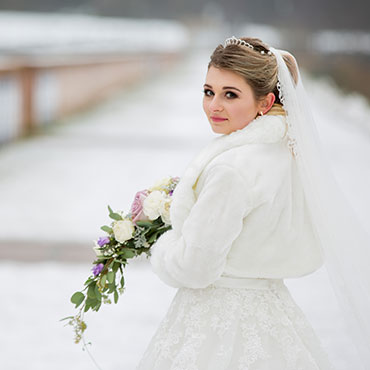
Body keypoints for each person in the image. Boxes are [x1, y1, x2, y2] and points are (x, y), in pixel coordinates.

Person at [136, 36, 370, 370]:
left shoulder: (230, 170)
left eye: (230, 94)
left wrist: (163, 242)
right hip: (273, 315)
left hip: (213, 322)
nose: (214, 105)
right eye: (208, 91)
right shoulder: (287, 154)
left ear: (265, 102)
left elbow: (195, 266)